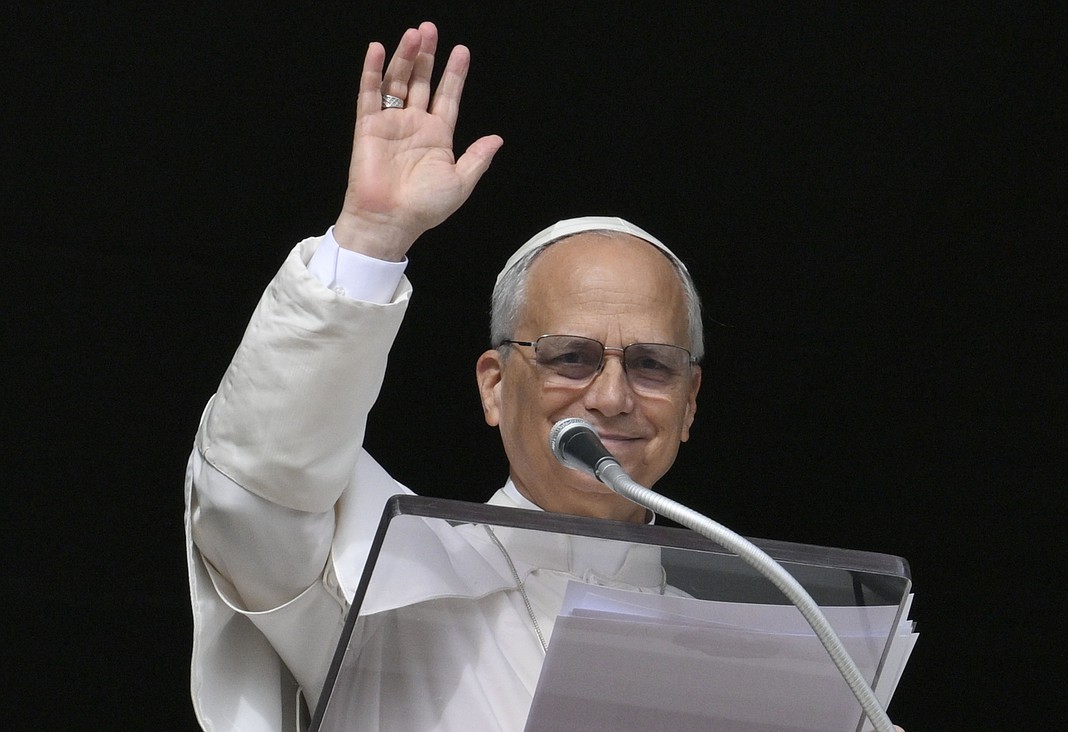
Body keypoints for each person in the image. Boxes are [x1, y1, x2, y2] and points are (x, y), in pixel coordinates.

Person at [186, 22, 904, 732]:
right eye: (572, 357)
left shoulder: (756, 659)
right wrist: (372, 241)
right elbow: (250, 496)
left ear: (690, 405)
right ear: (495, 384)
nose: (613, 397)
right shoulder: (382, 583)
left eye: (652, 365)